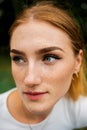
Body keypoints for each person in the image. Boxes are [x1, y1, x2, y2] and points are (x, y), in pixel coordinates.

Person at [0, 1, 87, 130]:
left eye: (49, 58)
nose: (30, 79)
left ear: (77, 62)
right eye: (18, 59)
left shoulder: (75, 108)